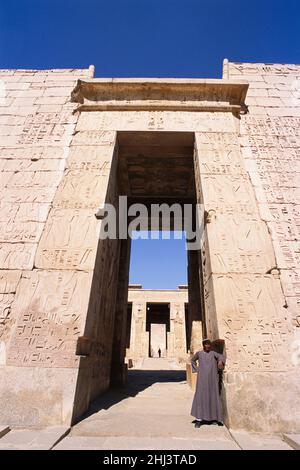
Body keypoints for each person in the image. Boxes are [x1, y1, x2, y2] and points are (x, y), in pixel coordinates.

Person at [191, 338, 225, 428]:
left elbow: (221, 356)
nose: (207, 345)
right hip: (202, 380)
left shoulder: (213, 353)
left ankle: (213, 418)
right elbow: (192, 360)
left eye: (209, 344)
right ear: (203, 345)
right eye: (206, 344)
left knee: (212, 397)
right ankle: (199, 419)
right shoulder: (199, 354)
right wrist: (197, 370)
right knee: (201, 397)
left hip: (212, 379)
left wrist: (220, 361)